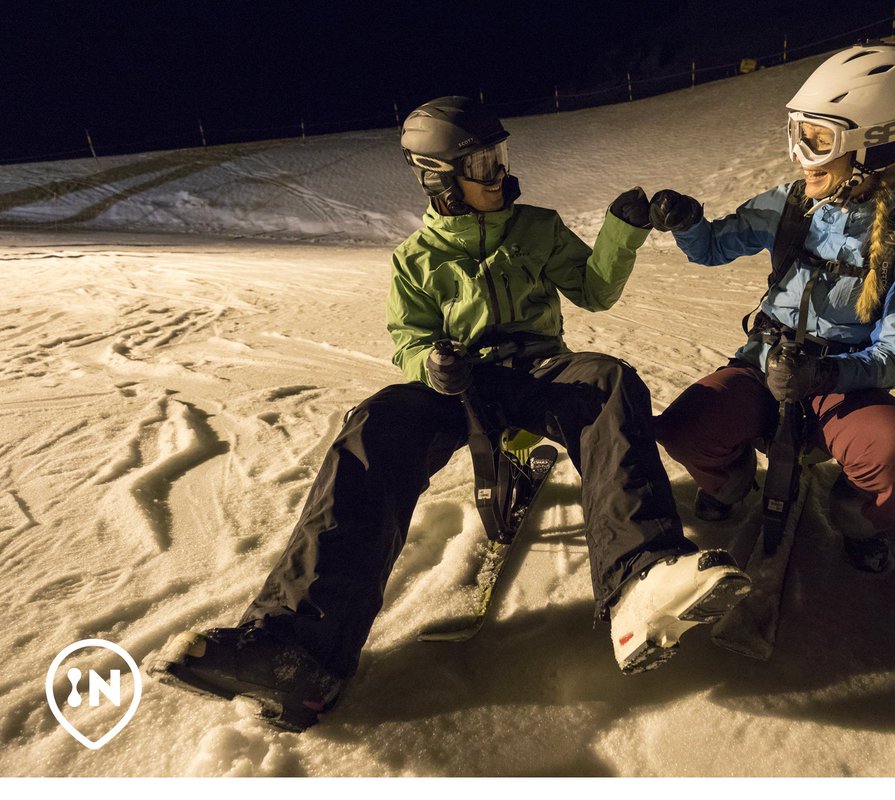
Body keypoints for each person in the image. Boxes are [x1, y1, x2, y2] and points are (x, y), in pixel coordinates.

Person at [151, 96, 749, 730]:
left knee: (608, 381)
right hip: (459, 381)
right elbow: (408, 338)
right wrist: (430, 364)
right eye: (484, 163)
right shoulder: (415, 259)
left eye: (501, 158)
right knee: (376, 423)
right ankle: (300, 651)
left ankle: (641, 582)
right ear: (440, 178)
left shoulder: (537, 227)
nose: (500, 174)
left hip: (540, 370)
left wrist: (621, 232)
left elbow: (595, 292)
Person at [651, 43, 895, 573]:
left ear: (878, 146)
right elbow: (715, 247)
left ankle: (857, 513)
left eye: (817, 140)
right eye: (798, 135)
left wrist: (826, 371)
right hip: (763, 364)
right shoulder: (794, 203)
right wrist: (688, 223)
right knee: (684, 429)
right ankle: (733, 481)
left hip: (840, 382)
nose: (799, 156)